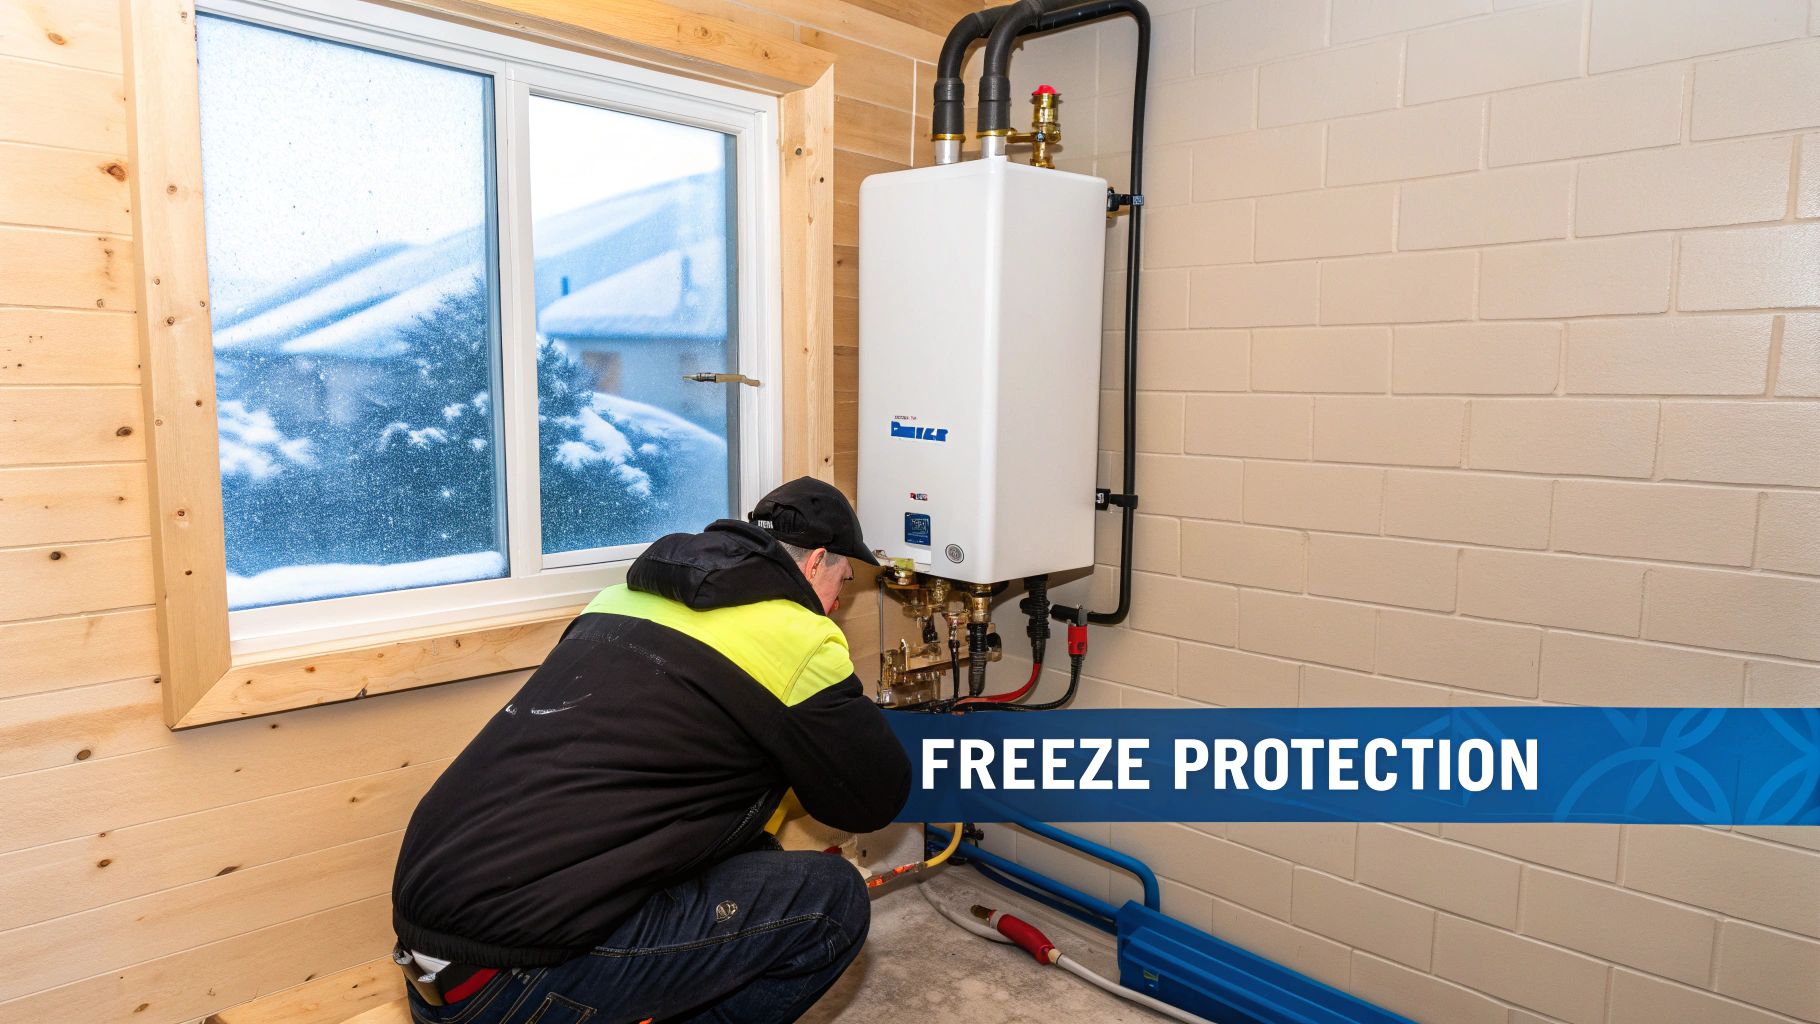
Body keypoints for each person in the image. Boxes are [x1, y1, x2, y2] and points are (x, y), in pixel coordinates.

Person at [392, 477, 912, 1024]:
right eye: (842, 585)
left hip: (436, 962)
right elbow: (873, 799)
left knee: (753, 860)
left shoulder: (621, 599)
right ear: (815, 563)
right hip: (514, 983)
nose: (833, 608)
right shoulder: (796, 633)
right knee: (832, 901)